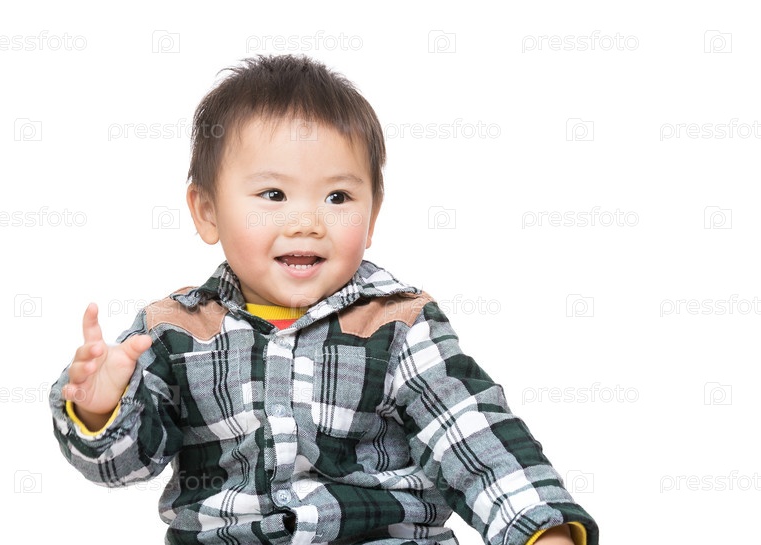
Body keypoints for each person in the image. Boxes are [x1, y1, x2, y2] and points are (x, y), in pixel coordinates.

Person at [49, 54, 599, 545]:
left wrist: (542, 527)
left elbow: (470, 430)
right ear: (207, 211)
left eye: (338, 196)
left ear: (373, 216)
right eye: (273, 194)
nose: (307, 222)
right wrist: (100, 408)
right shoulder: (173, 331)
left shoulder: (399, 324)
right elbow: (123, 466)